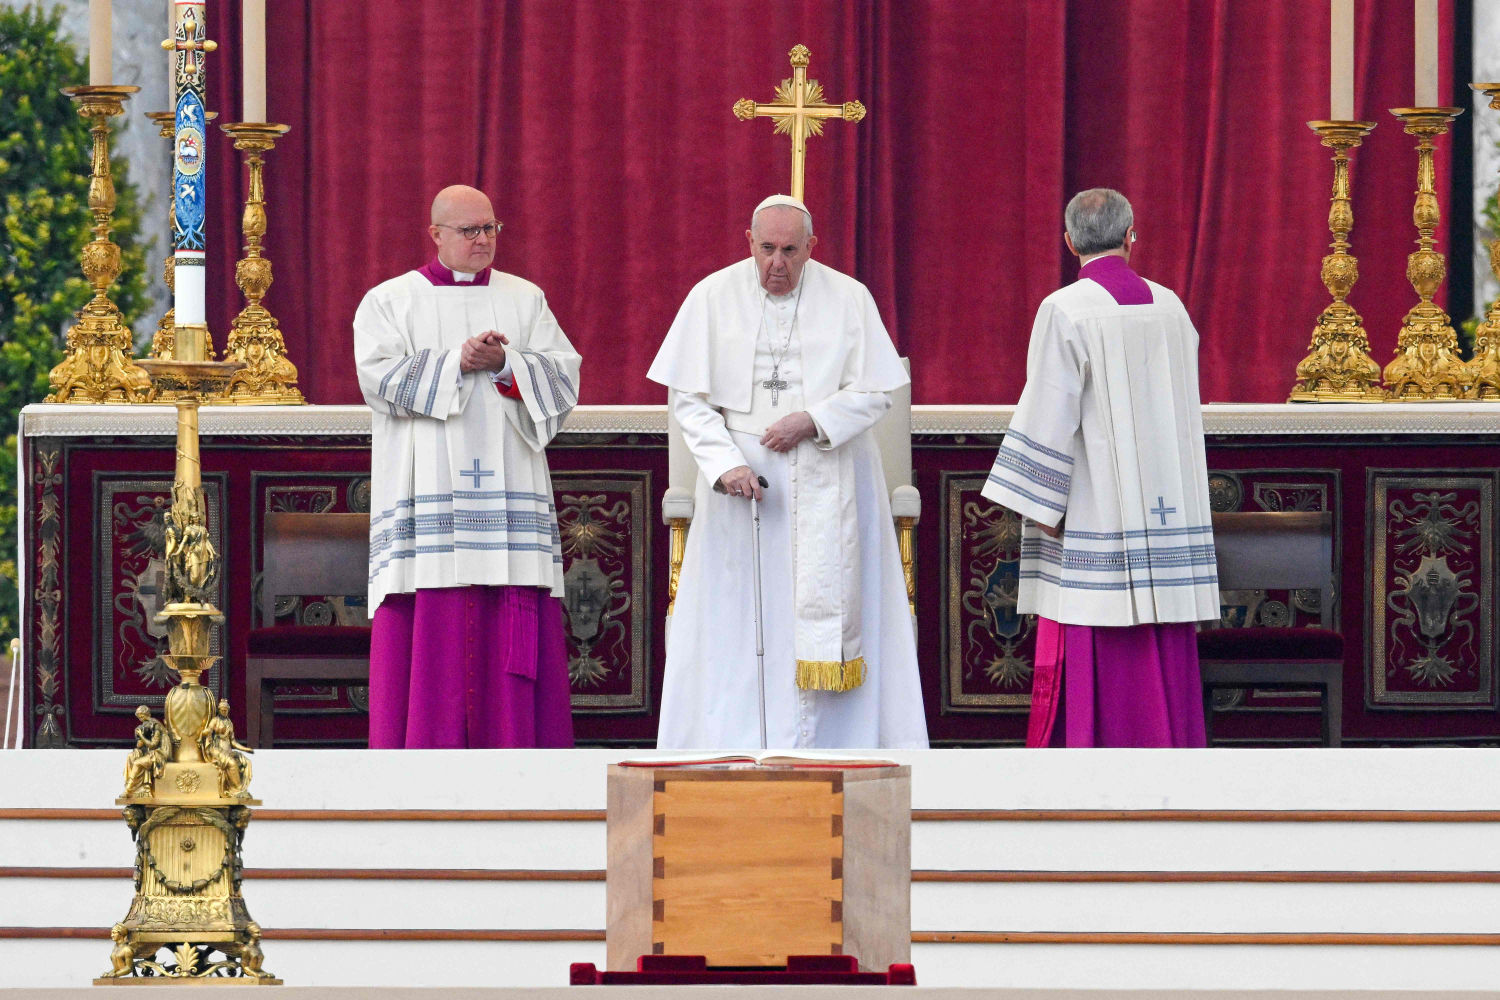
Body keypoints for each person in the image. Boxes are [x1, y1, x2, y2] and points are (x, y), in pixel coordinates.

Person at [647, 194, 929, 749]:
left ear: (811, 247)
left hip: (833, 470)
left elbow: (877, 393)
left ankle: (837, 744)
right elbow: (689, 402)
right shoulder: (711, 297)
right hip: (744, 488)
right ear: (748, 242)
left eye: (791, 251)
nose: (777, 263)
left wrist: (813, 420)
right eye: (767, 249)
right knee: (744, 618)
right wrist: (726, 464)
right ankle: (735, 743)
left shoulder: (849, 297)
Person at [981, 188, 1218, 747]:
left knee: (1096, 624)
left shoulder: (1065, 309)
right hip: (1168, 509)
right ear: (1132, 236)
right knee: (1162, 635)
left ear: (1068, 242)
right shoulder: (1171, 307)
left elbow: (1049, 408)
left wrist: (1041, 507)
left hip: (1096, 510)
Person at [354, 184, 580, 748]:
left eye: (490, 228)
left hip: (509, 500)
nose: (483, 240)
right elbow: (377, 378)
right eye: (469, 230)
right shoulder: (390, 301)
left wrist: (506, 364)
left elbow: (563, 380)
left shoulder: (525, 299)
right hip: (428, 496)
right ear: (435, 234)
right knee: (431, 633)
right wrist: (457, 361)